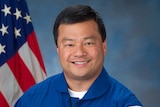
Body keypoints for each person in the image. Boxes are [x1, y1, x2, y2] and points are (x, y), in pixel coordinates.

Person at [15, 4, 143, 107]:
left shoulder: (124, 103)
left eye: (88, 43)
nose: (80, 53)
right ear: (58, 49)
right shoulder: (31, 100)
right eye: (70, 44)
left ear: (104, 46)